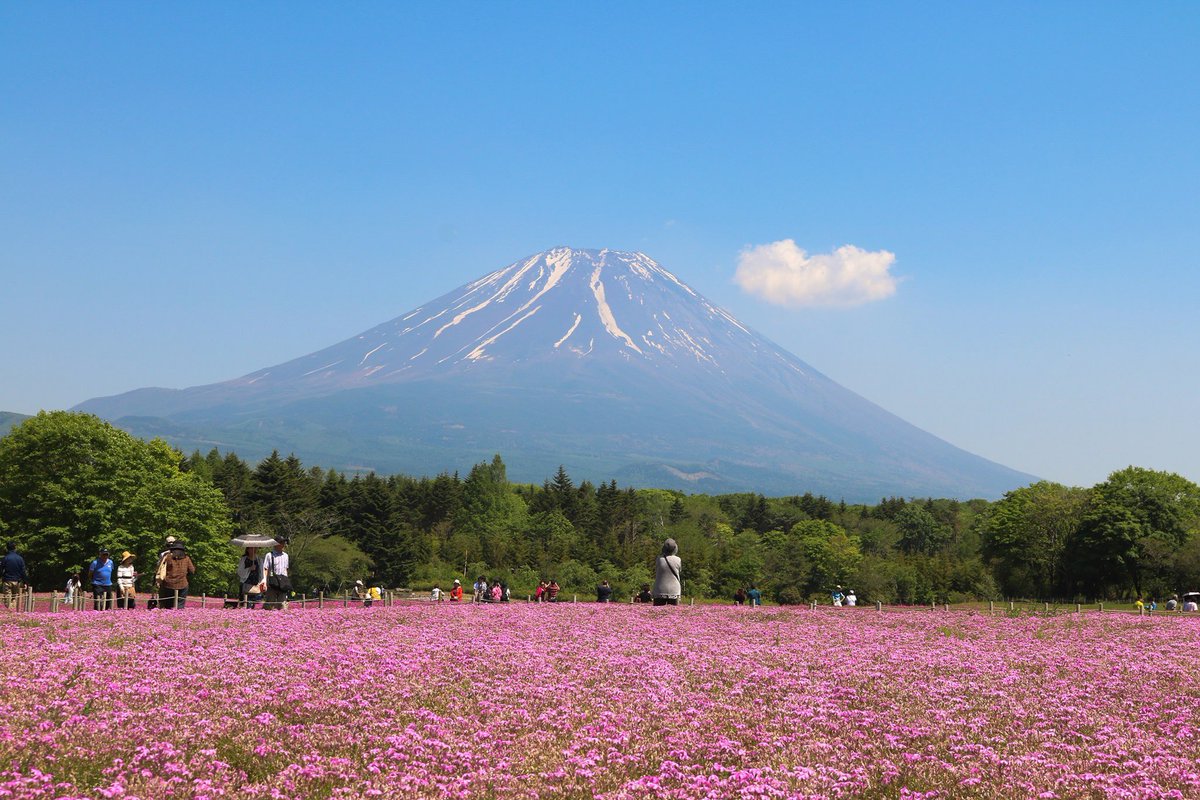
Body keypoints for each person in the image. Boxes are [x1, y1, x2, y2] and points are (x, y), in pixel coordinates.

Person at [157, 542, 195, 609]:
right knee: (180, 604)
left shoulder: (168, 557)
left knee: (168, 604)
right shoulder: (187, 558)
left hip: (168, 584)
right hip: (182, 584)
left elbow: (160, 568)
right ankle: (179, 613)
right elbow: (192, 570)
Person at [652, 538, 682, 606]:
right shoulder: (678, 559)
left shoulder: (659, 559)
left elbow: (656, 569)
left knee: (657, 613)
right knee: (673, 614)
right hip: (674, 590)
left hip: (659, 589)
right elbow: (679, 571)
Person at [263, 537, 291, 610]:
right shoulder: (269, 555)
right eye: (281, 543)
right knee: (270, 604)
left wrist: (287, 582)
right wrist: (265, 582)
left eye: (284, 543)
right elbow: (265, 569)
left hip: (283, 583)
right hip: (272, 582)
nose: (283, 545)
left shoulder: (286, 556)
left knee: (283, 605)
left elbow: (286, 569)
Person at [2, 543, 27, 610]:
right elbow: (23, 571)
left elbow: (1, 569)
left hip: (7, 580)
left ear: (7, 549)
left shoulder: (5, 558)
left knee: (7, 597)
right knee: (15, 597)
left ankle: (9, 611)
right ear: (15, 548)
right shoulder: (20, 558)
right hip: (17, 581)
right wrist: (25, 582)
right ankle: (12, 610)